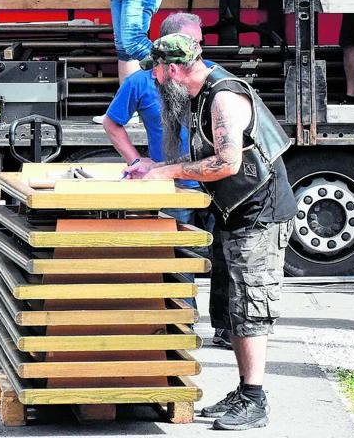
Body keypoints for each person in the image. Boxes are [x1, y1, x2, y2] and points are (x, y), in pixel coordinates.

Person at [126, 34, 297, 430]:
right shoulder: (197, 94)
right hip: (235, 213)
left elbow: (227, 163)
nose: (152, 79)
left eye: (155, 70)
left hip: (261, 214)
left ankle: (255, 399)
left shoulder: (222, 97)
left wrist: (167, 171)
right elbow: (204, 156)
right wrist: (154, 164)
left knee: (251, 305)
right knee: (233, 304)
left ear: (172, 68)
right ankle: (244, 391)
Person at [101, 12, 231, 349]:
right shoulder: (143, 81)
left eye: (201, 44)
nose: (201, 50)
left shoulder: (209, 77)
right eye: (195, 43)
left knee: (225, 256)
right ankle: (181, 327)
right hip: (172, 186)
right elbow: (112, 122)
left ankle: (227, 327)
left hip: (215, 182)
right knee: (178, 260)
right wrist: (135, 159)